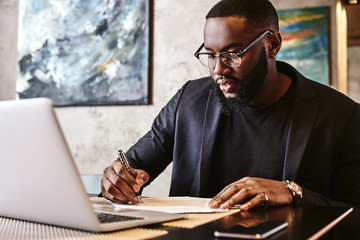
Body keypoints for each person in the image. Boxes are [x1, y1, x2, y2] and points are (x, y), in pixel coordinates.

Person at [101, 0, 360, 211]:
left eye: (232, 54)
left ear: (273, 45)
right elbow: (133, 167)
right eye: (211, 55)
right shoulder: (188, 99)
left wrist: (295, 193)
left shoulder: (342, 115)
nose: (218, 70)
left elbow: (354, 213)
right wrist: (117, 181)